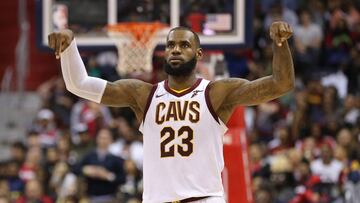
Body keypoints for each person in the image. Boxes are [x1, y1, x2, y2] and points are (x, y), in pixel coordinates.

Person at [48, 21, 294, 203]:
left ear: (198, 54)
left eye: (184, 45)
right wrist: (69, 46)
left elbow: (280, 84)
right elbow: (78, 85)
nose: (176, 49)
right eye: (171, 45)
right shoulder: (143, 94)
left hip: (204, 198)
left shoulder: (217, 92)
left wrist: (280, 45)